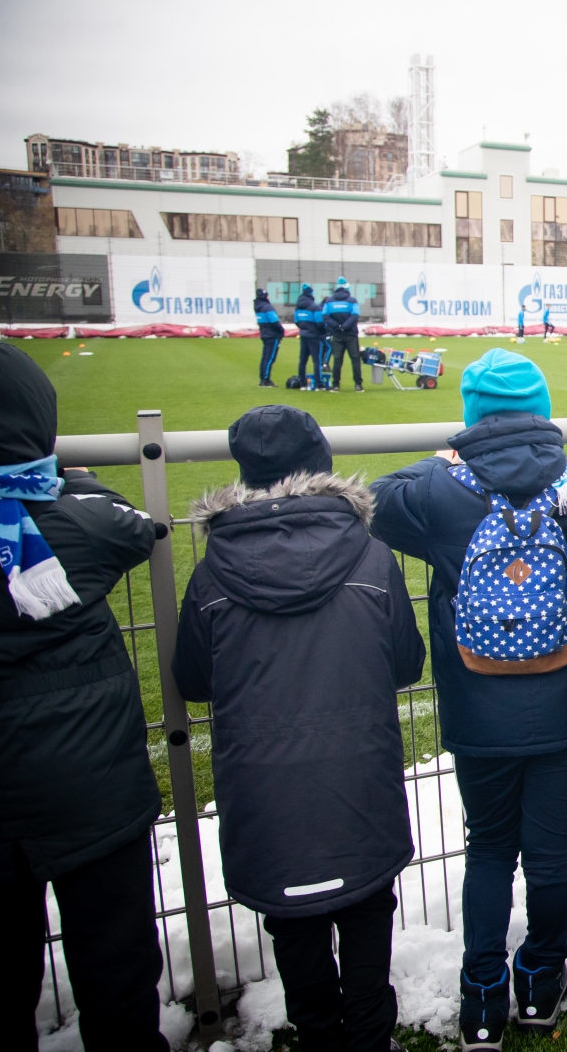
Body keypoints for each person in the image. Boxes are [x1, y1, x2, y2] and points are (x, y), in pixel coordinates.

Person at [370, 350, 567, 1046]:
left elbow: (374, 498)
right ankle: (540, 980)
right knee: (553, 848)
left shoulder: (438, 489)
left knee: (489, 848)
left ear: (471, 417)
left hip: (477, 709)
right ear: (543, 412)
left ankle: (481, 994)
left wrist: (449, 457)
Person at [173, 406, 426, 1052]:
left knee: (296, 924)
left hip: (266, 792)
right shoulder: (370, 556)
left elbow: (193, 678)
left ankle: (321, 1036)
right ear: (321, 461)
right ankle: (369, 1038)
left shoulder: (212, 573)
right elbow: (405, 662)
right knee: (368, 909)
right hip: (358, 778)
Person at [0, 342, 167, 1048]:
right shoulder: (75, 517)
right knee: (116, 971)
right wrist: (54, 476)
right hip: (92, 792)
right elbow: (131, 524)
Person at [323, 276, 363, 393]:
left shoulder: (329, 301)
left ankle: (335, 385)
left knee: (337, 360)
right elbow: (355, 315)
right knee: (355, 359)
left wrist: (337, 326)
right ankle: (358, 384)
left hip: (337, 335)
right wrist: (345, 326)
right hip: (351, 334)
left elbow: (325, 316)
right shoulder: (352, 301)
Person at [294, 283, 327, 391]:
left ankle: (302, 383)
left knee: (302, 360)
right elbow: (320, 323)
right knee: (316, 360)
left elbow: (296, 321)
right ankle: (318, 384)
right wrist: (322, 332)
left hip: (303, 335)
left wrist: (304, 329)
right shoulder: (314, 307)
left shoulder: (298, 307)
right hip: (314, 336)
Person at [255, 287, 283, 387]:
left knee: (265, 358)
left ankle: (262, 378)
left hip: (265, 333)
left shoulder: (258, 307)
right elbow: (274, 322)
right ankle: (266, 380)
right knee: (270, 358)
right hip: (272, 335)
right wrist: (281, 331)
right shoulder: (267, 307)